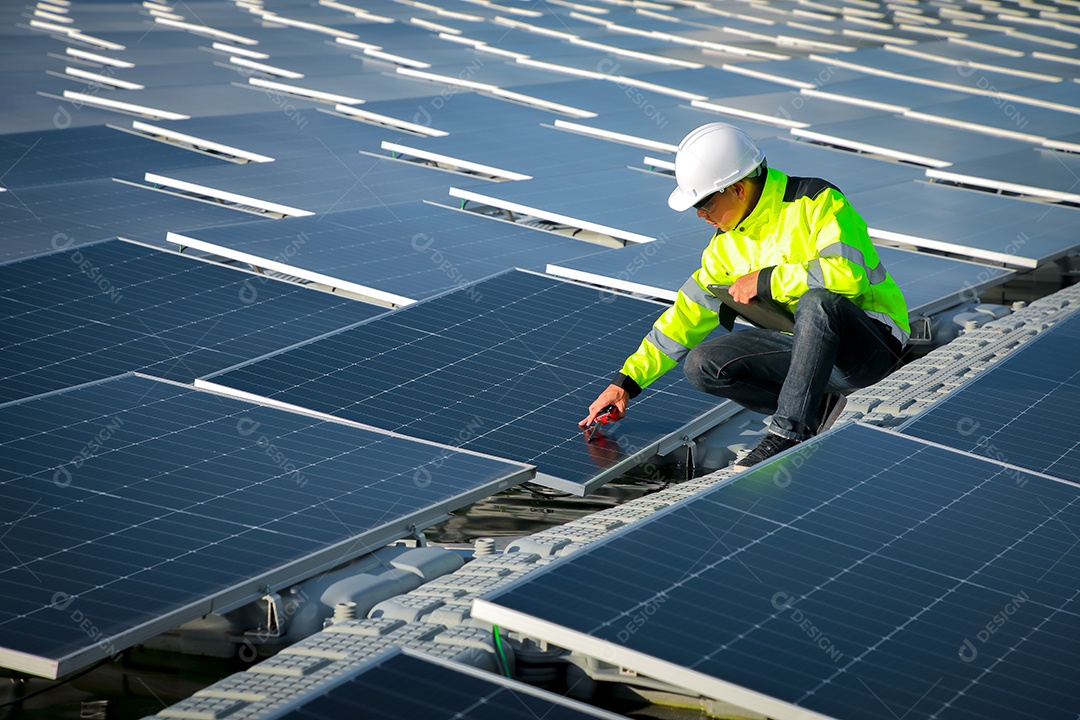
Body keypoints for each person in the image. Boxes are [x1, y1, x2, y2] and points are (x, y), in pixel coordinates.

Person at [579, 122, 909, 468]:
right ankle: (817, 405)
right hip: (806, 356)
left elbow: (848, 275)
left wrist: (766, 281)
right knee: (702, 364)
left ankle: (788, 432)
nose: (701, 216)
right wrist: (626, 383)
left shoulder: (817, 202)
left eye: (705, 203)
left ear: (737, 188)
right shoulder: (724, 249)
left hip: (871, 346)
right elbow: (684, 317)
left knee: (817, 302)